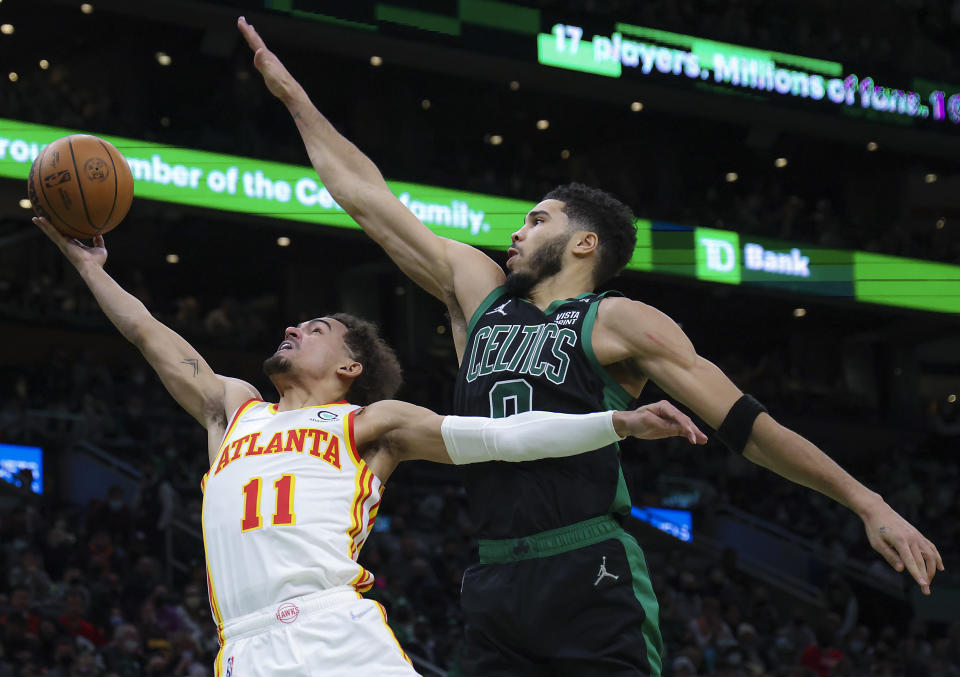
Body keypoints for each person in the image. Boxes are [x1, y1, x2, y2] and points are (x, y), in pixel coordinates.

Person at [237, 16, 945, 676]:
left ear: (584, 242)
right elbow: (368, 197)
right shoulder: (479, 293)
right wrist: (295, 97)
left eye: (536, 219)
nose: (516, 231)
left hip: (588, 565)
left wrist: (867, 501)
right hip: (492, 576)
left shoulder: (622, 321)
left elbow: (746, 424)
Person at [32, 214, 706, 677]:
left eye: (317, 325)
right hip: (243, 647)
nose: (295, 324)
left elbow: (503, 435)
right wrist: (87, 266)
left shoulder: (369, 424)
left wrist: (614, 424)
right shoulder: (232, 409)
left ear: (349, 366)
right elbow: (149, 334)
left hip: (334, 635)